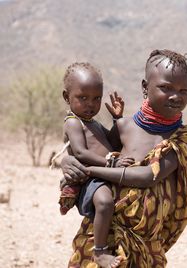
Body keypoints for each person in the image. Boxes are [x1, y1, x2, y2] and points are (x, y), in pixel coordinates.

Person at [61, 49, 187, 268]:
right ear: (145, 87)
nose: (176, 96)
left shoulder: (184, 137)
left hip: (146, 245)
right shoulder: (123, 127)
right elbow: (94, 151)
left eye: (184, 91)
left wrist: (88, 170)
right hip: (103, 236)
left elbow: (147, 176)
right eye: (166, 87)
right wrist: (66, 161)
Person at [59, 62, 130, 268]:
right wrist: (111, 161)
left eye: (96, 98)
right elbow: (80, 152)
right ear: (67, 97)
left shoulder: (94, 123)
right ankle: (99, 252)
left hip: (104, 175)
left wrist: (117, 119)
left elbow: (114, 143)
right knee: (105, 203)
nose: (90, 104)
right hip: (91, 179)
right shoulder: (73, 122)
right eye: (83, 98)